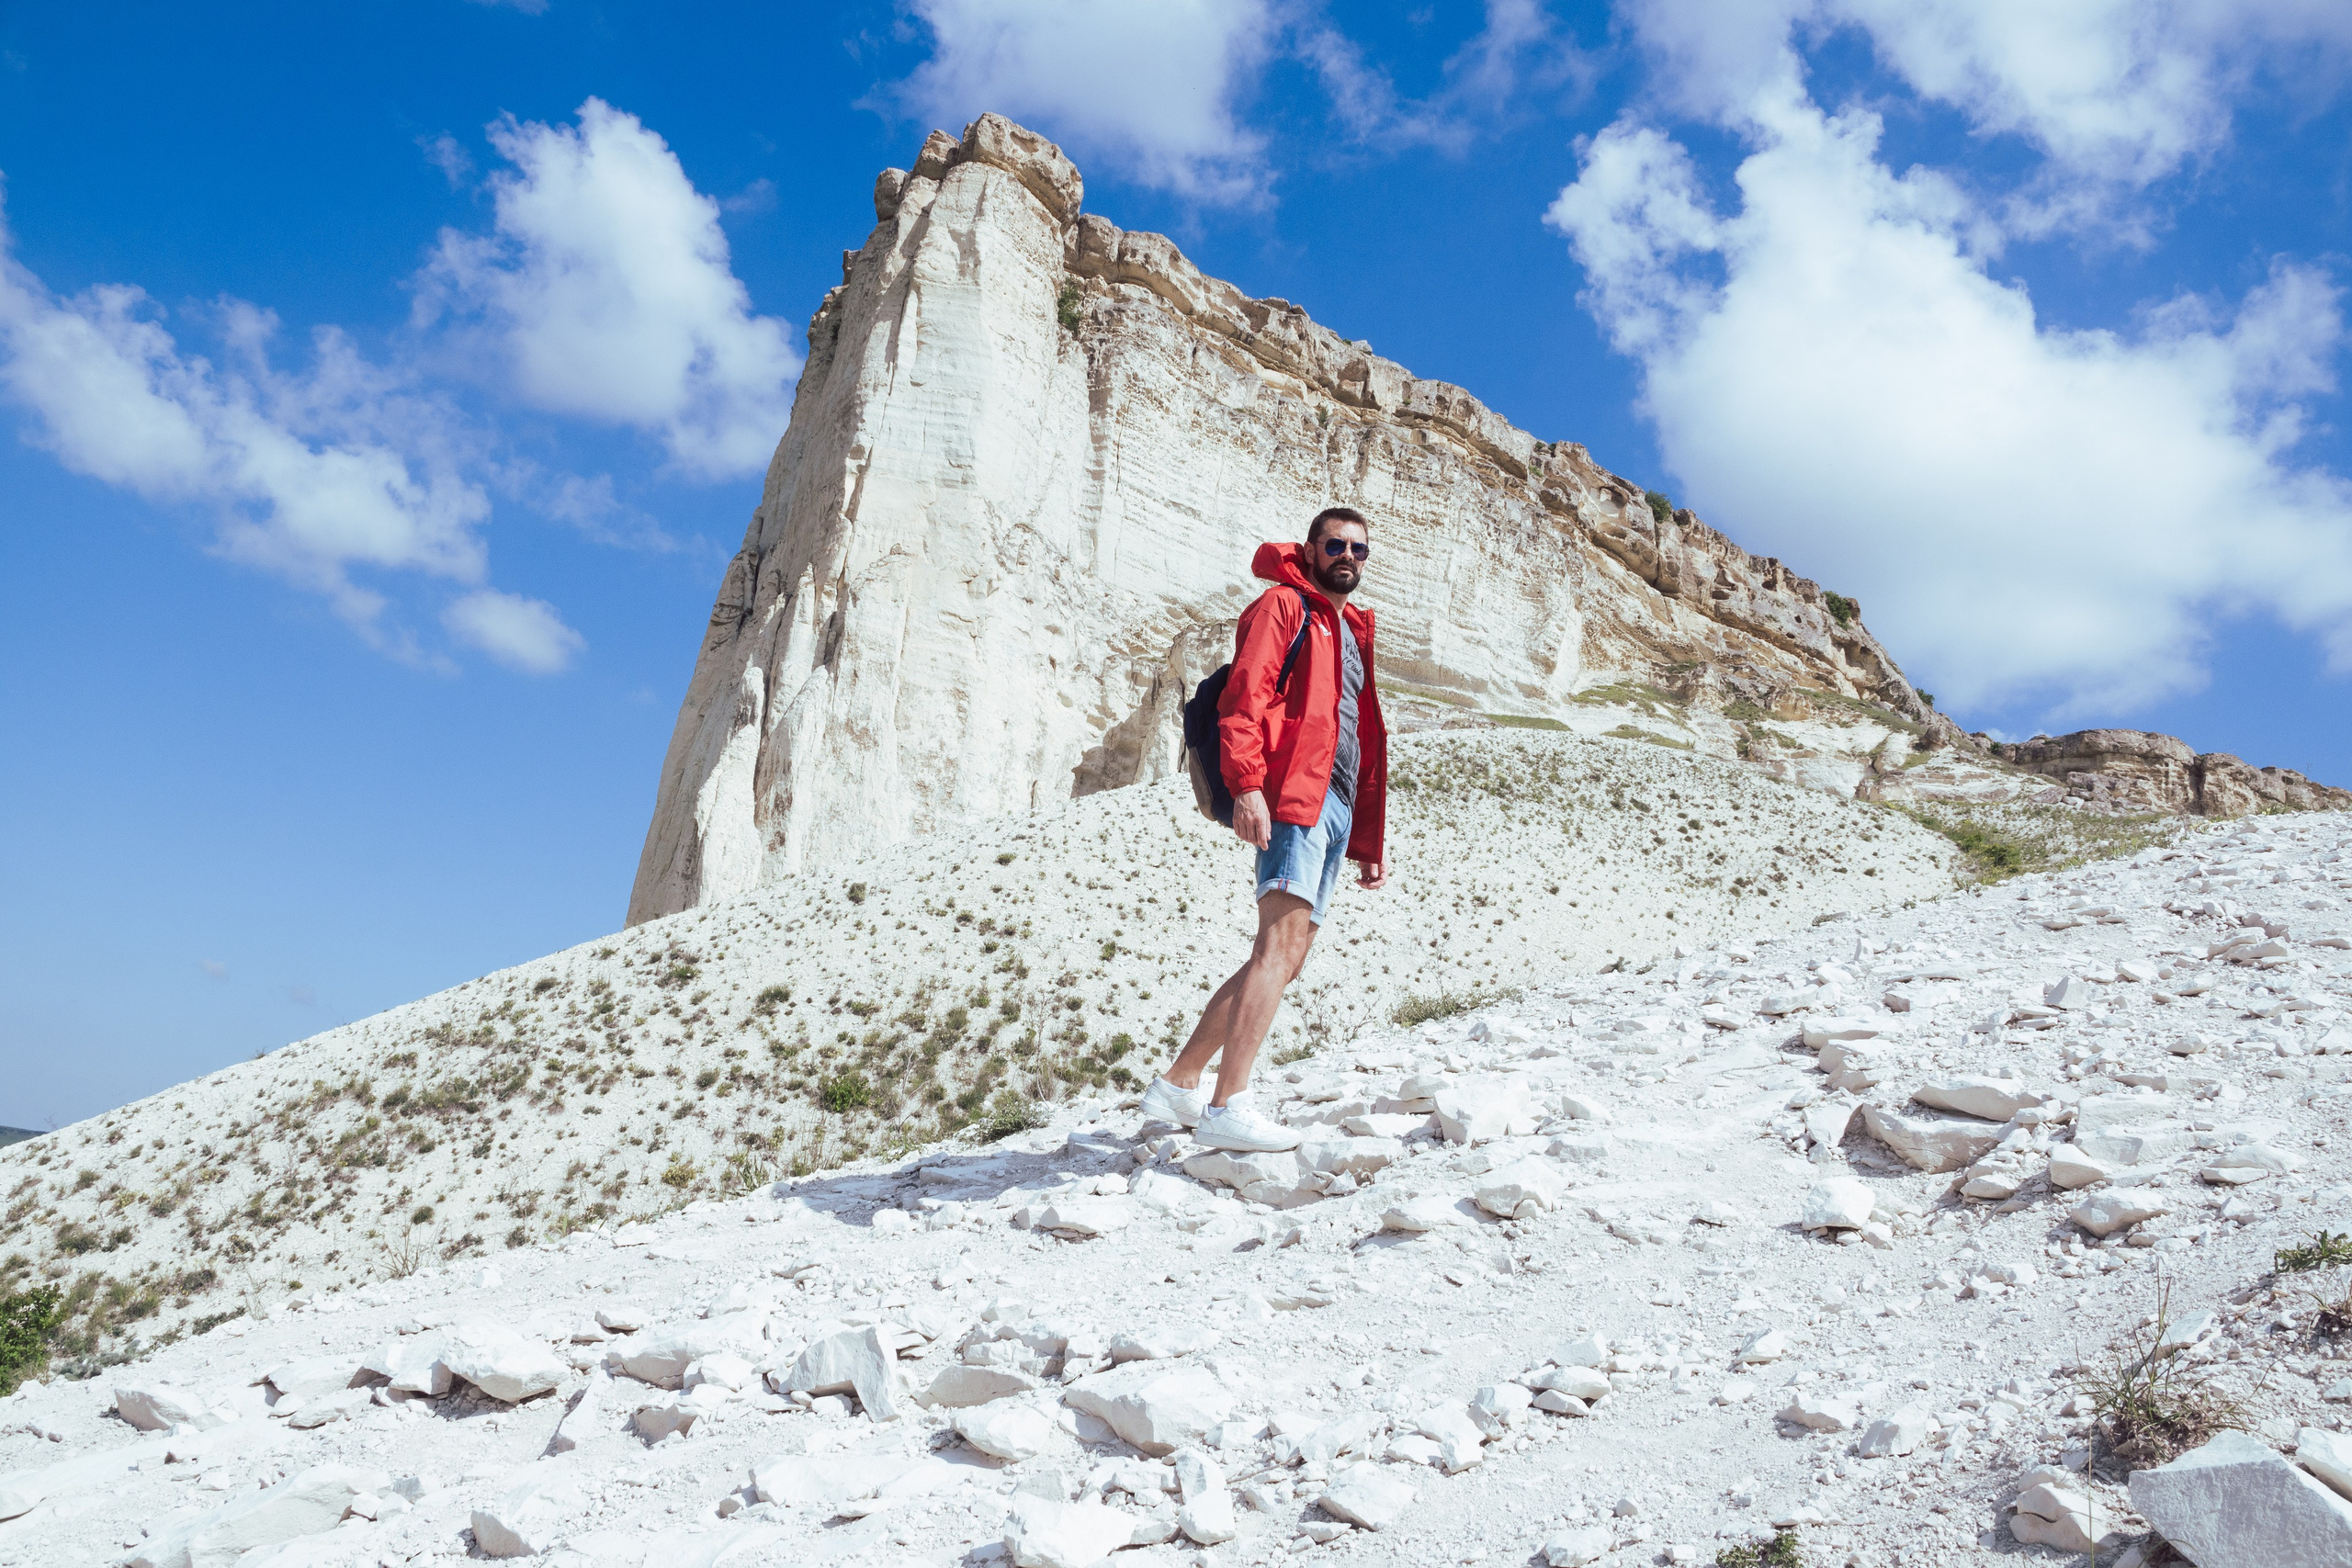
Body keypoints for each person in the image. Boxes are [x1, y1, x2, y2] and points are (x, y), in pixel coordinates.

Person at [1142, 507, 1388, 1151]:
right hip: (1291, 798)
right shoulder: (1284, 606)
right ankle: (1228, 1105)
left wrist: (1365, 841)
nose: (1348, 555)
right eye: (1335, 544)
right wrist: (1249, 784)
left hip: (1332, 808)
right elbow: (1243, 700)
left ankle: (1179, 1082)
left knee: (1288, 956)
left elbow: (1357, 743)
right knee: (1276, 948)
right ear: (1309, 550)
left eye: (1359, 549)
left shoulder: (1347, 629)